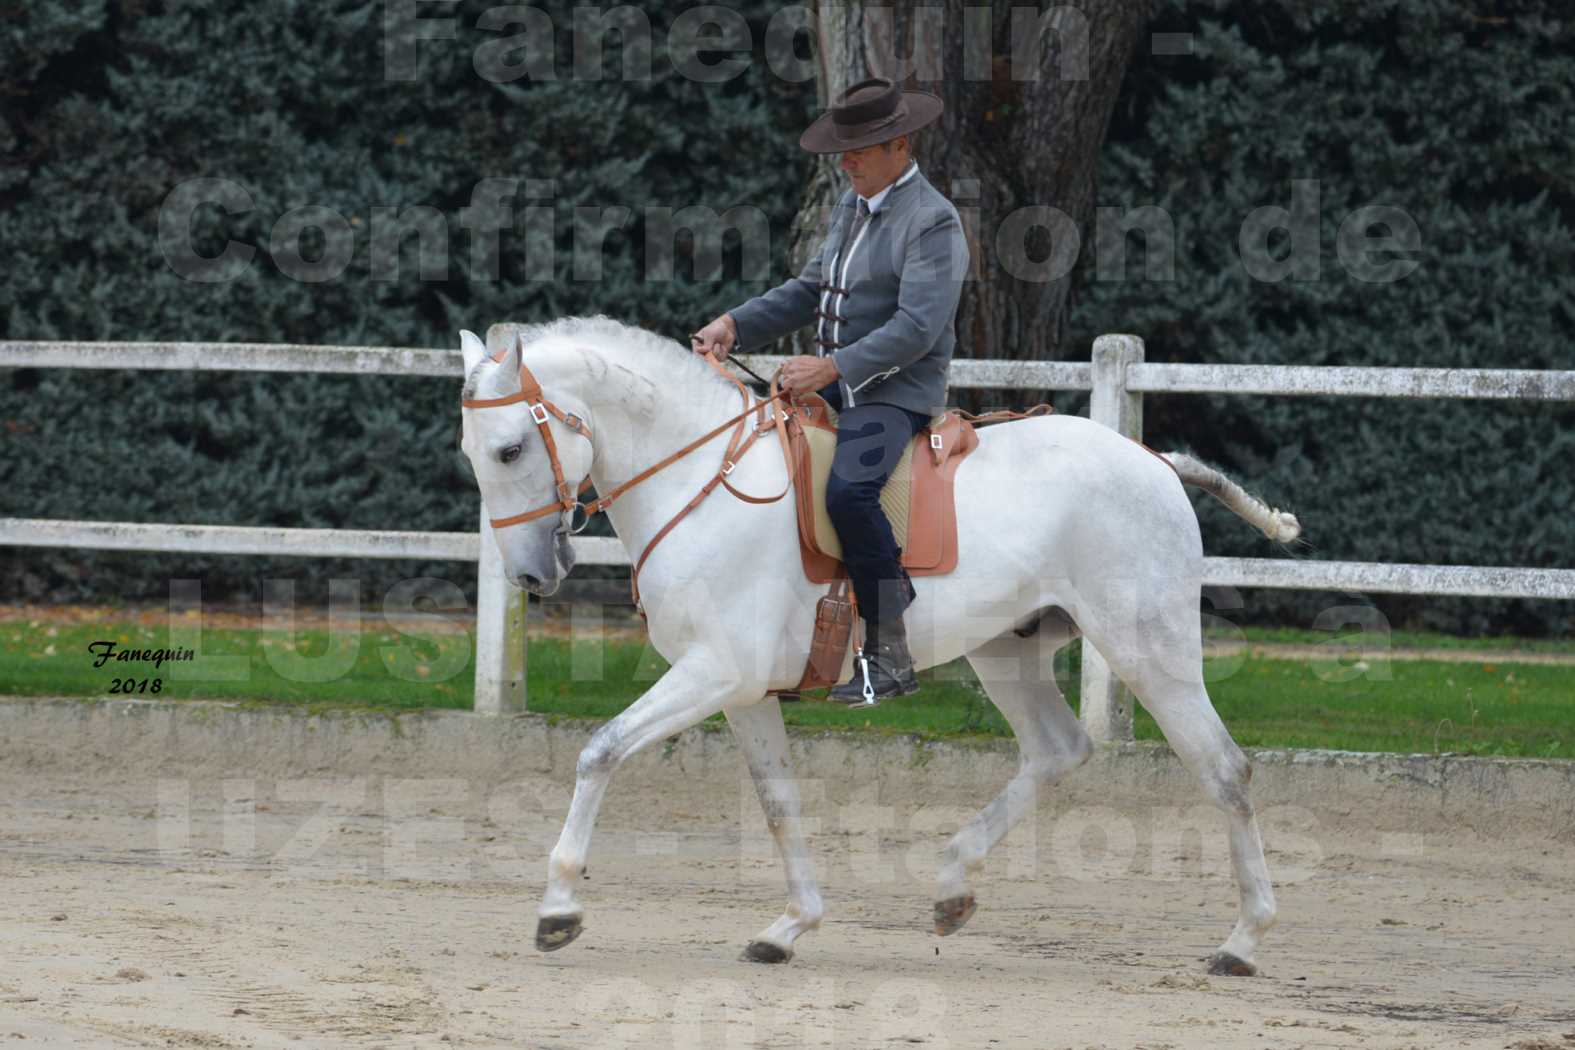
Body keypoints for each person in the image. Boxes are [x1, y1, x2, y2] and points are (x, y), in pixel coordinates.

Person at [691, 76, 968, 703]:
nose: (846, 162)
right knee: (763, 472)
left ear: (899, 146)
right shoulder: (852, 206)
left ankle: (889, 653)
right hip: (843, 385)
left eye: (860, 149)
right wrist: (735, 322)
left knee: (848, 492)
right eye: (843, 149)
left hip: (896, 393)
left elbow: (918, 328)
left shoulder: (934, 222)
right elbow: (810, 290)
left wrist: (832, 367)